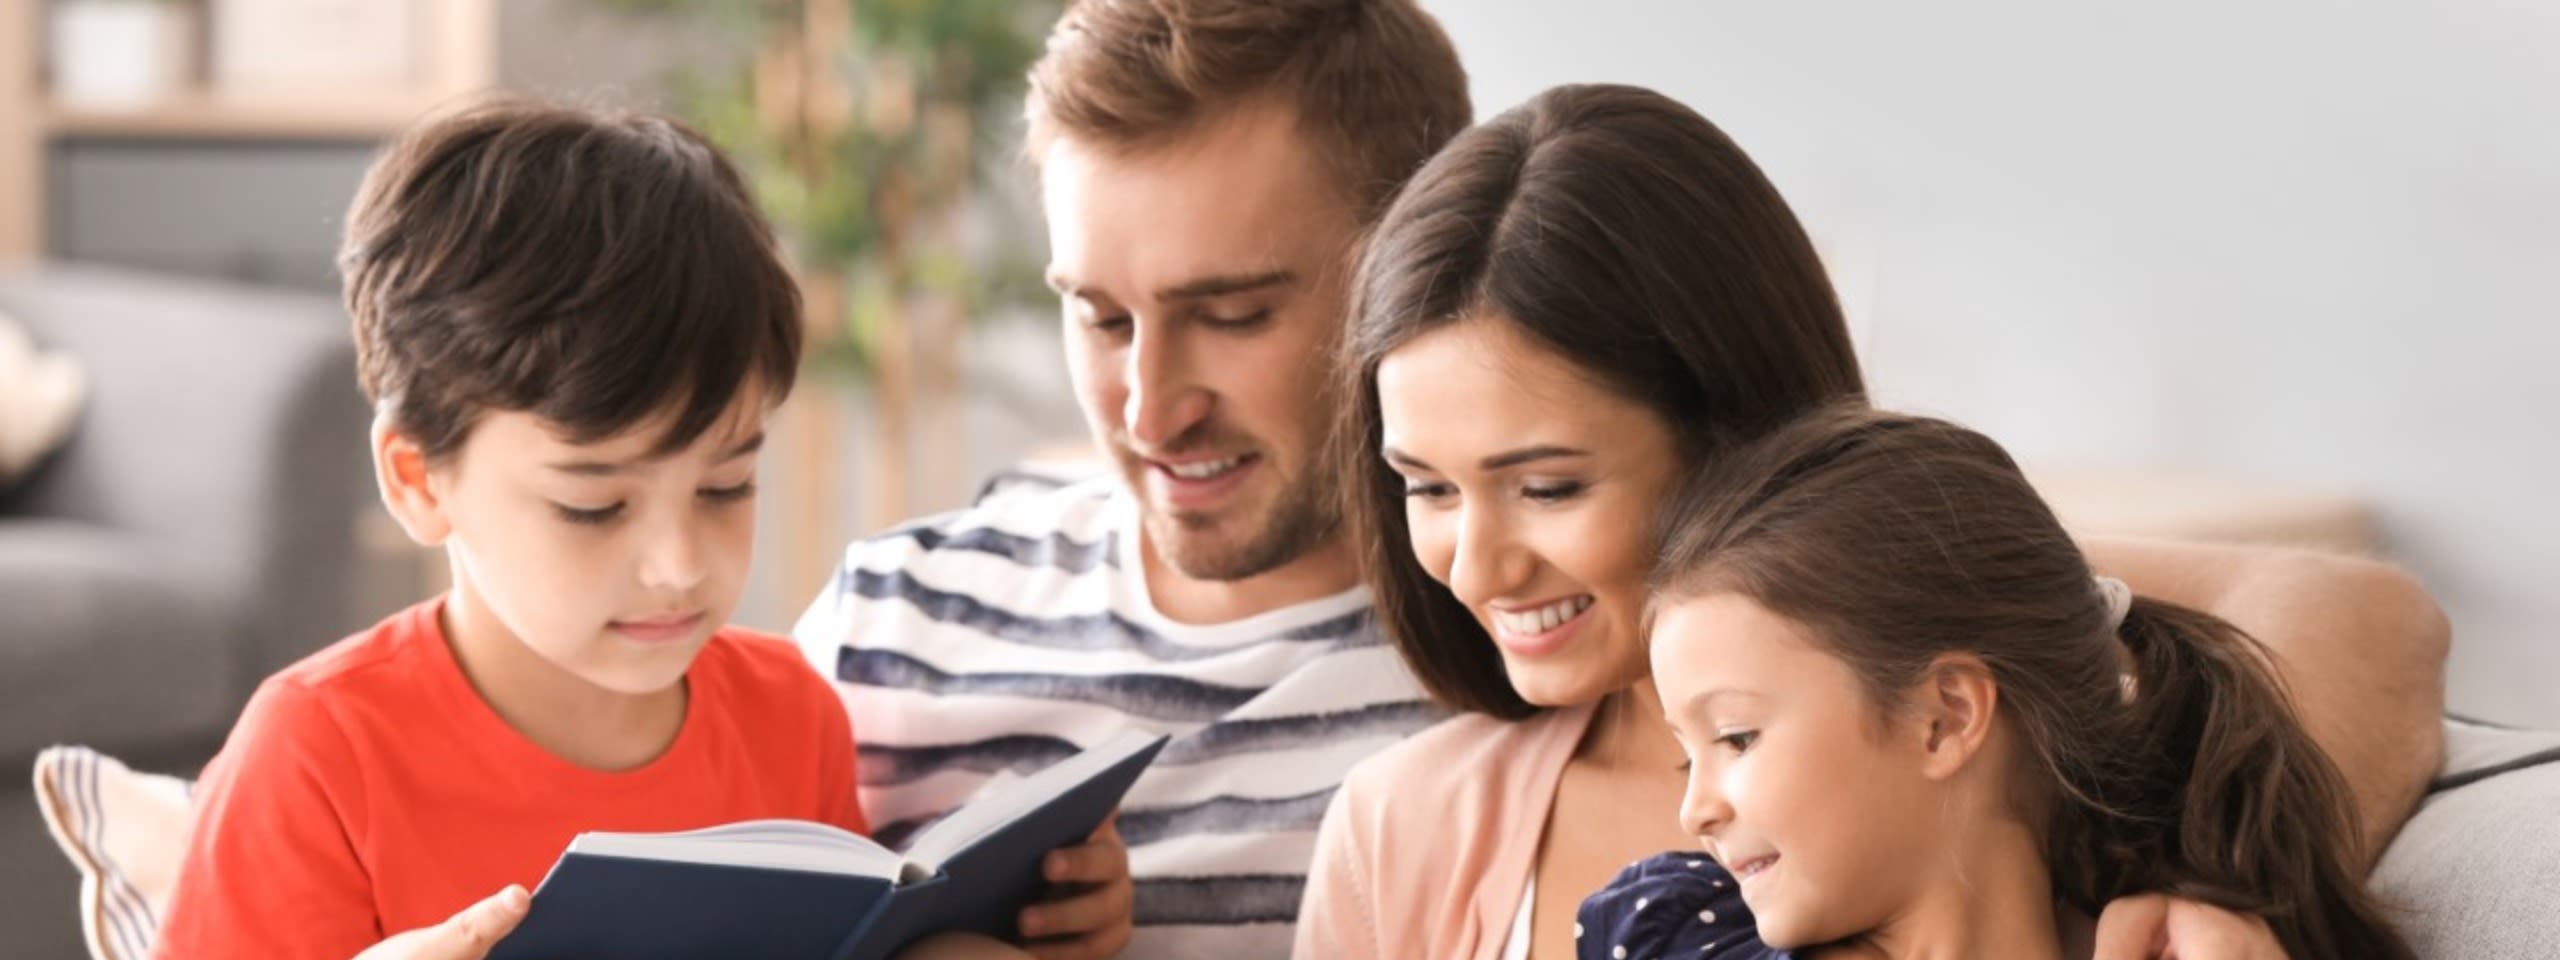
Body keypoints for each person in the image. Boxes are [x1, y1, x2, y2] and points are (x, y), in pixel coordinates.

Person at [1299, 83, 2448, 960]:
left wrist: (2225, 888)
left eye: (1548, 486)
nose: (1479, 562)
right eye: (1427, 486)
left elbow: (2361, 612)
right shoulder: (1405, 827)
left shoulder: (1948, 713)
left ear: (1728, 430)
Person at [152, 100, 1119, 960]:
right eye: (593, 506)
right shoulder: (319, 753)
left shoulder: (790, 713)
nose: (679, 566)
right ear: (418, 478)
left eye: (727, 486)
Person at [790, 1, 1471, 956]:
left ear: (1420, 274)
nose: (1150, 413)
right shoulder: (887, 626)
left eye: (1232, 314)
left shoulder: (1514, 683)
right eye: (1103, 320)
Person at [1573, 405, 2414, 960]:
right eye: (1690, 757)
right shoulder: (1677, 933)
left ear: (1945, 717)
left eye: (1736, 739)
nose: (1696, 809)